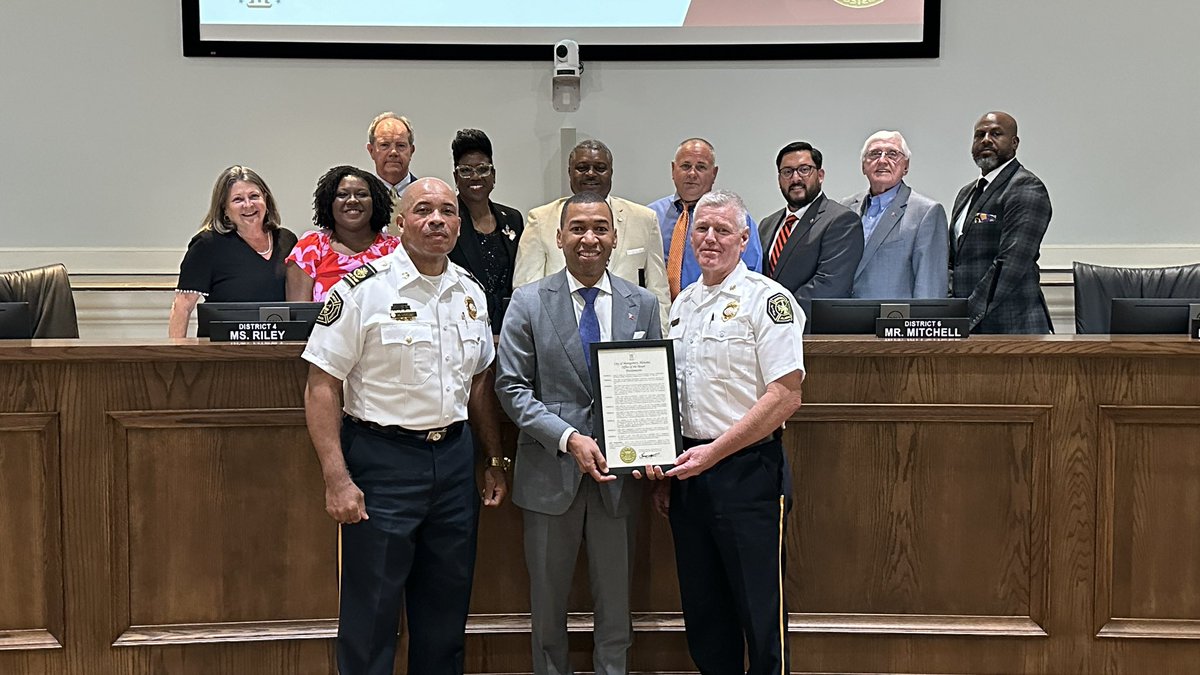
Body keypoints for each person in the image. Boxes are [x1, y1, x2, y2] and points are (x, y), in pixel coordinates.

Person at [301, 177, 509, 675]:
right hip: (382, 461)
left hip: (455, 461)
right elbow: (320, 386)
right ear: (400, 223)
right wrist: (336, 477)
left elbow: (479, 383)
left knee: (445, 610)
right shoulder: (360, 291)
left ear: (459, 224)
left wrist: (494, 458)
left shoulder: (470, 293)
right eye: (423, 210)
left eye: (446, 211)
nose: (436, 220)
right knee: (371, 613)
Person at [495, 192, 662, 675]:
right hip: (551, 472)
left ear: (614, 238)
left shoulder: (643, 304)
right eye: (578, 228)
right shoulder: (527, 301)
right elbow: (512, 387)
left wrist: (653, 445)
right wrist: (568, 437)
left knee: (617, 603)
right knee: (547, 606)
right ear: (560, 237)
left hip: (619, 475)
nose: (589, 238)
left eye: (601, 229)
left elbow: (650, 383)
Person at [642, 189, 805, 675]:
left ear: (743, 237)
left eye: (722, 230)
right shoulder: (683, 304)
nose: (709, 239)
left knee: (760, 611)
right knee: (704, 610)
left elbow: (785, 396)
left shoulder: (769, 301)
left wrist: (714, 453)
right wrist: (664, 457)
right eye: (701, 230)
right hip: (689, 471)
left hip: (747, 473)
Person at [513, 139, 670, 327]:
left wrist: (661, 347)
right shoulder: (540, 219)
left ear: (611, 173)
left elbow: (658, 291)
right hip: (561, 332)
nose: (590, 174)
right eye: (582, 167)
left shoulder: (644, 219)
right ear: (569, 173)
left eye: (599, 168)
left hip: (627, 337)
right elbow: (526, 288)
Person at [950, 111, 1054, 333]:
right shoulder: (965, 193)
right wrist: (951, 309)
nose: (986, 139)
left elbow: (1010, 264)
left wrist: (965, 317)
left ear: (1014, 143)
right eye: (979, 135)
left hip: (1013, 326)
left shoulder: (1026, 187)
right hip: (967, 326)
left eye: (996, 133)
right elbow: (954, 260)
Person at [169, 165, 298, 337]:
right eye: (238, 200)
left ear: (266, 200)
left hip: (279, 350)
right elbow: (182, 307)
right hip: (224, 354)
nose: (248, 205)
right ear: (224, 208)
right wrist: (178, 359)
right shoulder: (207, 245)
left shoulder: (287, 240)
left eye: (254, 196)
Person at [648, 137, 762, 300]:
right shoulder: (650, 216)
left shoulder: (736, 218)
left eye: (701, 167)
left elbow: (750, 275)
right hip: (657, 314)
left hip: (716, 313)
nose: (692, 174)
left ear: (714, 173)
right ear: (673, 170)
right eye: (685, 166)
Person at [759, 141, 863, 319]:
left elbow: (829, 284)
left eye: (804, 169)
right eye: (787, 172)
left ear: (820, 175)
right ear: (779, 179)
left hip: (811, 333)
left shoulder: (841, 221)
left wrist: (774, 316)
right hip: (765, 335)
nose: (796, 178)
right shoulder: (767, 225)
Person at [839, 131, 949, 299]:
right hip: (844, 319)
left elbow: (929, 289)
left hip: (893, 320)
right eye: (874, 154)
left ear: (906, 166)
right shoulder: (845, 208)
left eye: (892, 154)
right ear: (863, 166)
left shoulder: (926, 213)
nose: (882, 160)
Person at [285, 165, 400, 302]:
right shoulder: (311, 246)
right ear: (329, 203)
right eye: (342, 195)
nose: (352, 200)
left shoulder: (395, 249)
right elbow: (300, 316)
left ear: (375, 202)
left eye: (361, 194)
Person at [447, 129, 524, 333]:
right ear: (456, 176)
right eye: (466, 170)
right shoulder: (446, 220)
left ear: (494, 174)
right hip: (461, 325)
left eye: (482, 169)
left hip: (509, 327)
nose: (475, 177)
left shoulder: (513, 219)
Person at [365, 112, 417, 229]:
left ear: (411, 151)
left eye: (401, 145)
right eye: (385, 145)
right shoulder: (361, 198)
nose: (393, 152)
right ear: (371, 150)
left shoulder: (425, 196)